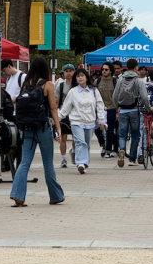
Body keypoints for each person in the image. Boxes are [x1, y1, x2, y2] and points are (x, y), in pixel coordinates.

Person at [9, 57, 64, 206]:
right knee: (48, 163)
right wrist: (58, 129)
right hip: (43, 127)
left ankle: (17, 194)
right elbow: (53, 108)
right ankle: (55, 196)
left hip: (27, 129)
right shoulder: (48, 85)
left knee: (25, 162)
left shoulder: (25, 85)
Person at [59, 68, 106, 174]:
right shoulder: (72, 92)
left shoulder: (94, 90)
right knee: (80, 142)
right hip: (76, 121)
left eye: (82, 75)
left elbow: (99, 105)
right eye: (78, 76)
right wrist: (57, 119)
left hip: (90, 122)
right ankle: (80, 163)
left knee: (87, 144)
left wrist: (101, 120)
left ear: (86, 77)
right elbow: (65, 107)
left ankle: (85, 164)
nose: (80, 78)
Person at [113, 58, 150, 167]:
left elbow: (115, 95)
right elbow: (144, 96)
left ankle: (122, 150)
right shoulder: (138, 80)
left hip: (122, 110)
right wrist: (147, 107)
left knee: (122, 134)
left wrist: (117, 107)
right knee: (135, 135)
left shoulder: (120, 79)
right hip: (134, 110)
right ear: (136, 67)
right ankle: (132, 159)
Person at [95, 62, 119, 159]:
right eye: (102, 69)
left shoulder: (115, 81)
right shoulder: (98, 81)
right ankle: (102, 144)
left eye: (106, 69)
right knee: (97, 129)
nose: (104, 71)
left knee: (110, 130)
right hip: (100, 108)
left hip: (112, 108)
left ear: (110, 71)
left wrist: (117, 111)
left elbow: (118, 96)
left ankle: (108, 150)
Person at [55, 64, 76, 167]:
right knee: (63, 137)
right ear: (63, 73)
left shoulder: (77, 86)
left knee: (75, 137)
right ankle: (63, 159)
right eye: (66, 71)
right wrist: (54, 116)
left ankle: (73, 150)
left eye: (70, 71)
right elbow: (56, 102)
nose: (68, 73)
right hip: (64, 114)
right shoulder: (61, 86)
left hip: (75, 113)